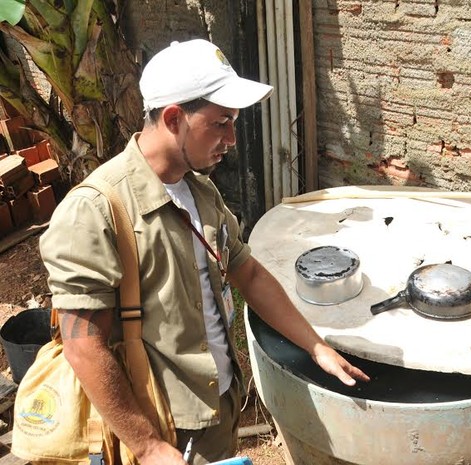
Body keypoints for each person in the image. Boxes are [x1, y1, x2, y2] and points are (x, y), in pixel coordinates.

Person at [39, 39, 369, 465]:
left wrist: (315, 345)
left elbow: (246, 273)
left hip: (217, 404)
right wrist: (148, 445)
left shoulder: (199, 190)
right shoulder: (97, 210)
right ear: (174, 118)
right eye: (220, 123)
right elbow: (83, 345)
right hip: (162, 423)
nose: (232, 138)